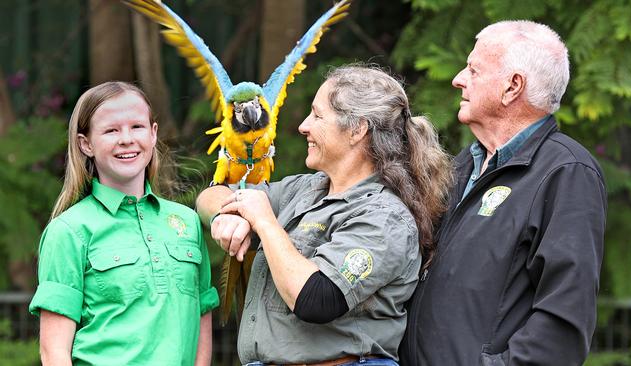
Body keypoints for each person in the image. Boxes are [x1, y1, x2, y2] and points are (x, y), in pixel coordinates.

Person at [196, 65, 453, 365]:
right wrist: (228, 218)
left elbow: (316, 299)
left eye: (317, 116)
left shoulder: (386, 218)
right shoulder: (304, 190)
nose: (303, 126)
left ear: (357, 130)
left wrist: (264, 222)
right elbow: (210, 195)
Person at [399, 20, 607, 366]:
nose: (458, 79)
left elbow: (564, 323)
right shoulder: (464, 164)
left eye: (473, 69)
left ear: (512, 87)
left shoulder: (567, 174)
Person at [28, 82, 219, 365]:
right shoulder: (68, 231)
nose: (126, 139)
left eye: (137, 127)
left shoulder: (186, 222)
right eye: (111, 130)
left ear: (153, 134)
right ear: (86, 144)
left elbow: (201, 320)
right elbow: (53, 352)